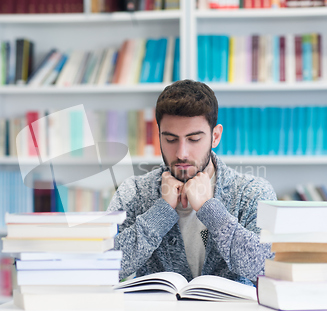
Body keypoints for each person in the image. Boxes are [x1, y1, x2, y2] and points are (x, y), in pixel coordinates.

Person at [107, 79, 276, 286]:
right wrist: (159, 214)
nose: (181, 153)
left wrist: (211, 211)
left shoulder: (253, 192)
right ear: (158, 136)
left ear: (215, 136)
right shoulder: (134, 192)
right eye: (170, 139)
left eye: (194, 139)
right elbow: (104, 267)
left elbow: (268, 267)